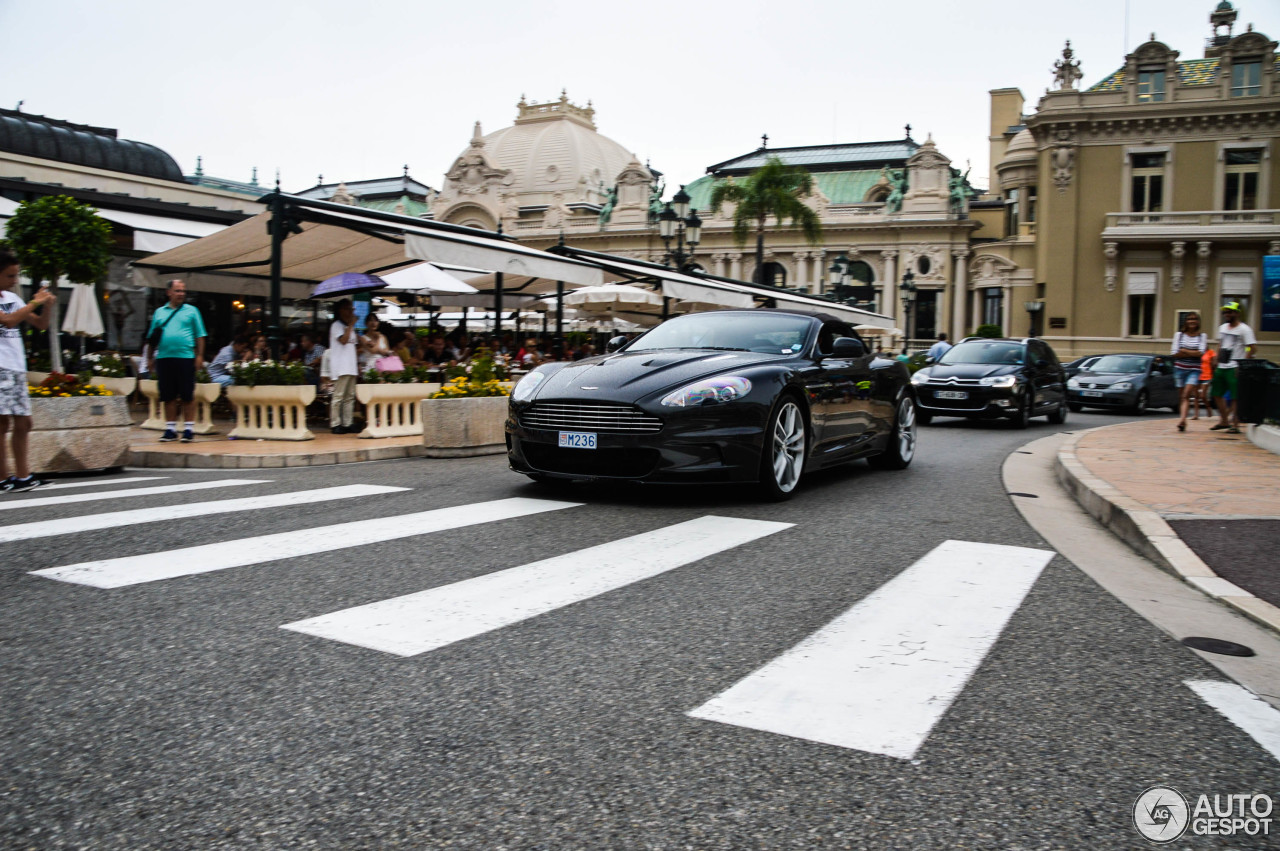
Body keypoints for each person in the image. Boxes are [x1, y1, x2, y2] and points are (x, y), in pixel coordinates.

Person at [0, 249, 55, 492]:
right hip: (1, 367)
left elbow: (40, 324)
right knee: (3, 425)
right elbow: (8, 321)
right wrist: (35, 301)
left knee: (24, 423)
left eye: (16, 275)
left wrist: (48, 305)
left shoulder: (14, 298)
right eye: (10, 276)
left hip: (16, 367)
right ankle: (6, 478)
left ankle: (20, 477)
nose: (14, 281)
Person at [145, 279, 207, 443]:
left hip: (185, 358)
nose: (181, 294)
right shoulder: (159, 312)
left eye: (183, 291)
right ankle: (170, 429)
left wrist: (199, 356)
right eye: (178, 291)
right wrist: (149, 358)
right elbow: (152, 338)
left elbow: (200, 335)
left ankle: (188, 429)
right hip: (164, 358)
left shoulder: (192, 311)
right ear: (169, 292)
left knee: (187, 395)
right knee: (168, 395)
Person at [1209, 301, 1257, 434]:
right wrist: (1216, 358)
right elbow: (1220, 343)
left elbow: (1252, 348)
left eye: (1230, 312)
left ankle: (1235, 424)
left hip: (1235, 366)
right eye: (1225, 312)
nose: (1227, 314)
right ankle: (1224, 420)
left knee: (1235, 396)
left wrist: (1243, 364)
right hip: (1222, 365)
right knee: (1216, 394)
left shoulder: (1244, 329)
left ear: (1237, 313)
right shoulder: (1223, 327)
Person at [327, 299, 359, 434]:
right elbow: (343, 341)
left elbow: (354, 345)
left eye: (352, 309)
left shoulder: (349, 328)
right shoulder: (336, 326)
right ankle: (335, 423)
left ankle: (347, 422)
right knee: (338, 396)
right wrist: (351, 325)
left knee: (350, 396)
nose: (351, 312)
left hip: (351, 366)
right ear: (341, 310)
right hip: (341, 367)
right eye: (348, 309)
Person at [1170, 313, 1207, 432]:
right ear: (1186, 322)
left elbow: (1201, 353)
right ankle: (1183, 420)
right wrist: (1193, 352)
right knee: (1182, 397)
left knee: (1186, 394)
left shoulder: (1202, 337)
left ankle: (1182, 420)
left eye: (1195, 319)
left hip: (1194, 370)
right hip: (1179, 369)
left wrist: (1184, 350)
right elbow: (1175, 353)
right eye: (1190, 319)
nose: (1192, 321)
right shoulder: (1179, 335)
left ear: (1198, 322)